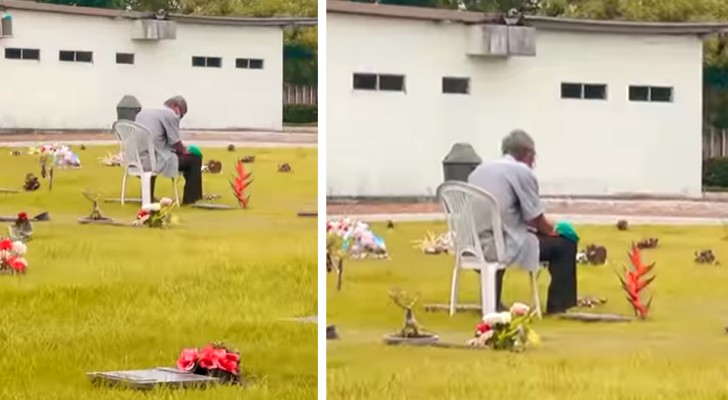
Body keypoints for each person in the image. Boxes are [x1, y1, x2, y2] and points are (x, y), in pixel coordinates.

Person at [467, 129, 577, 315]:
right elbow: (535, 219)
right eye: (533, 156)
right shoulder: (522, 171)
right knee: (565, 243)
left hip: (473, 244)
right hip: (503, 246)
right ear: (527, 153)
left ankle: (492, 302)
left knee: (499, 232)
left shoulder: (479, 170)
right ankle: (558, 306)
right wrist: (555, 230)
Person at [134, 96, 202, 205]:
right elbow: (175, 142)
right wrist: (185, 151)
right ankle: (191, 199)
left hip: (138, 159)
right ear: (176, 107)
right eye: (181, 115)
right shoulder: (170, 114)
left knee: (152, 153)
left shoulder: (142, 113)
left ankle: (148, 196)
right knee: (194, 159)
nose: (179, 118)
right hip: (156, 160)